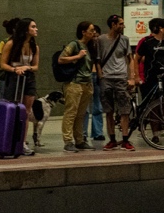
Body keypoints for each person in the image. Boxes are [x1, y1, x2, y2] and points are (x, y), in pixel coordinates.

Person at [0, 17, 39, 155]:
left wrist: (27, 68)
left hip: (28, 77)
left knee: (26, 111)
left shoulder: (34, 46)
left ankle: (22, 142)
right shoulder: (11, 43)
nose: (36, 29)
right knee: (14, 109)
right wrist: (15, 69)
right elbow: (3, 64)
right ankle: (9, 140)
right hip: (14, 76)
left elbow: (36, 66)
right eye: (33, 27)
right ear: (25, 29)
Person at [94, 14, 137, 151]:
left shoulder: (124, 40)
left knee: (124, 110)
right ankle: (112, 139)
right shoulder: (101, 40)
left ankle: (125, 139)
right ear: (113, 25)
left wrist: (131, 78)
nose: (123, 26)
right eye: (121, 23)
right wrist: (101, 75)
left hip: (121, 77)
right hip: (106, 78)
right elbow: (98, 60)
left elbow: (130, 59)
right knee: (108, 110)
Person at [58, 21, 98, 152]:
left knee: (81, 114)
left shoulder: (91, 46)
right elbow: (61, 59)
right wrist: (78, 56)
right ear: (83, 32)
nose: (93, 33)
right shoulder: (74, 44)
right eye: (91, 30)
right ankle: (68, 140)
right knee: (71, 112)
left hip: (87, 83)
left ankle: (79, 140)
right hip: (74, 83)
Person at [136, 18, 164, 104]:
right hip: (150, 77)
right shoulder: (147, 42)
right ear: (161, 29)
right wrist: (136, 76)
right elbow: (136, 59)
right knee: (150, 103)